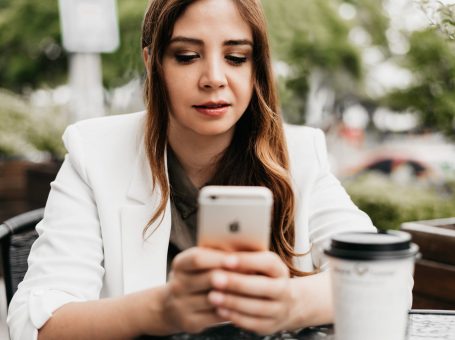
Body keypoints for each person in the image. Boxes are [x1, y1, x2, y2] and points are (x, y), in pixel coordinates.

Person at [7, 0, 377, 339]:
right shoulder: (94, 153)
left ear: (256, 67)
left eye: (235, 57)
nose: (213, 77)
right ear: (153, 62)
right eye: (186, 56)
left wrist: (288, 303)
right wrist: (163, 309)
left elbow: (376, 274)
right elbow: (35, 324)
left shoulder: (299, 153)